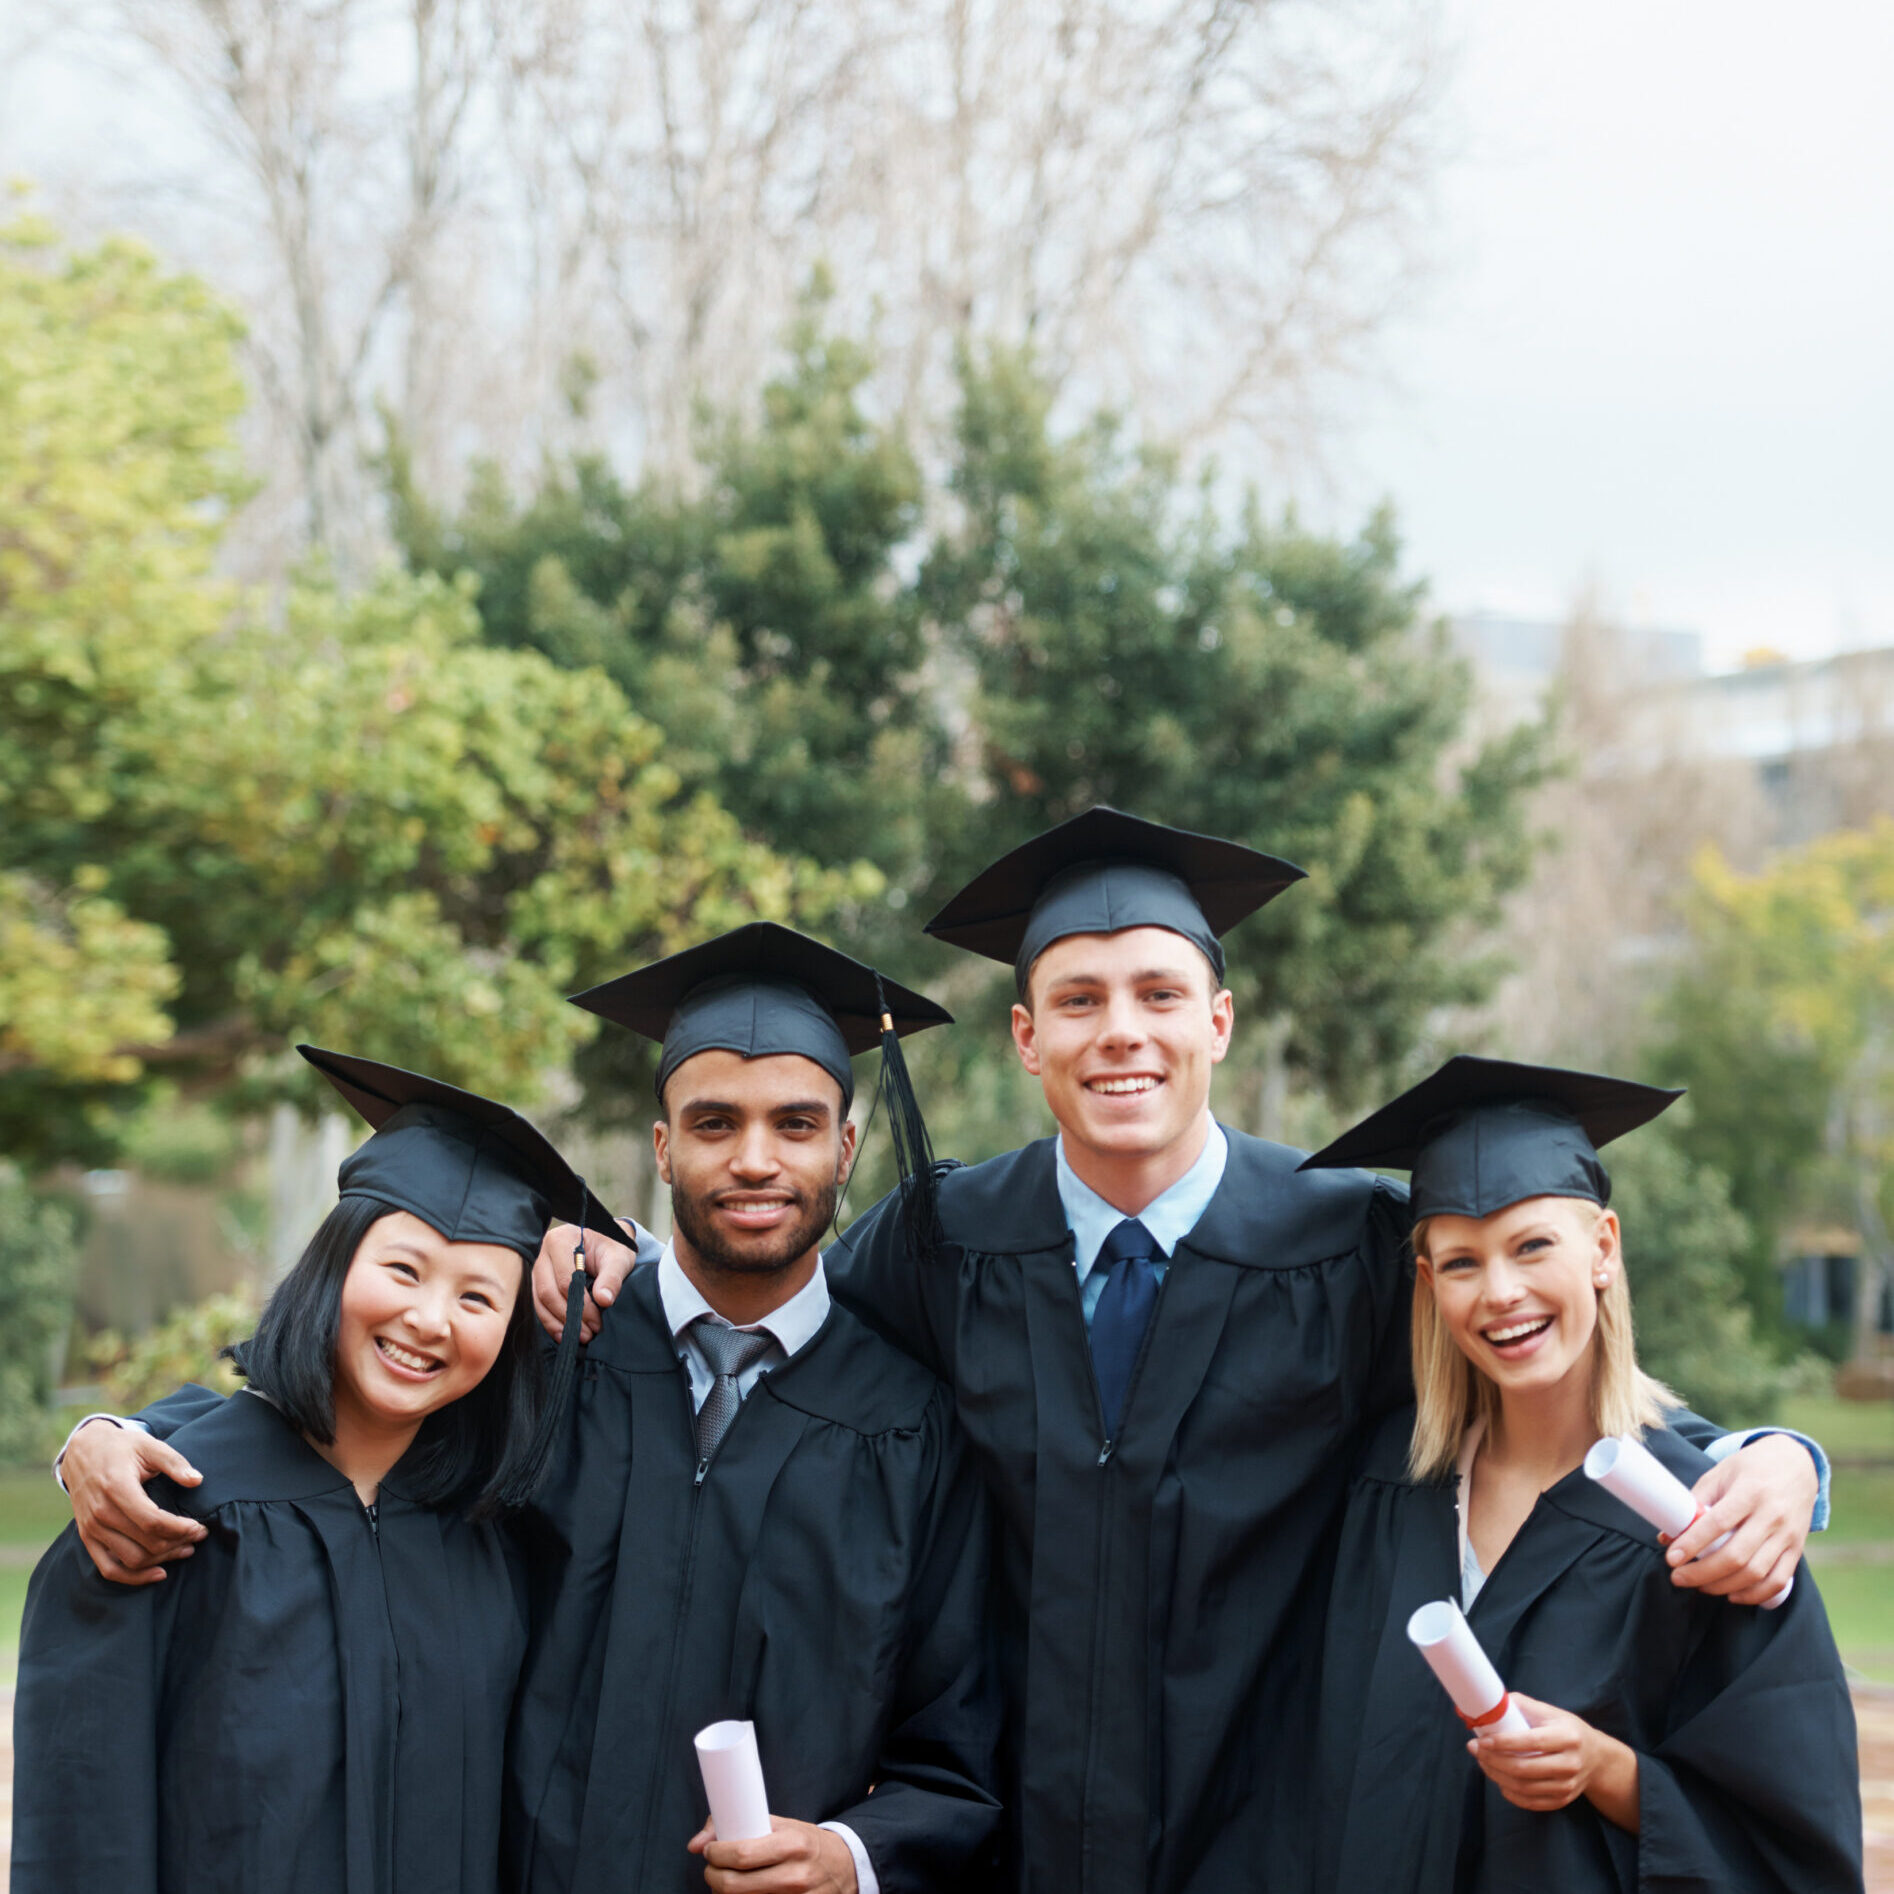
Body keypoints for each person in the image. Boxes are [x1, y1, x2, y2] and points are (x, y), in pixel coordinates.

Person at [518, 809, 1831, 1894]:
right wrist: (611, 1262)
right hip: (1011, 1844)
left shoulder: (1351, 1243)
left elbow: (1537, 1354)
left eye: (1157, 992)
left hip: (1266, 1836)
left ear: (1217, 1019)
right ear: (1028, 1037)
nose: (1120, 1031)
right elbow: (774, 1327)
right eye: (1077, 999)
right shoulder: (944, 1239)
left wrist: (1770, 1455)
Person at [60, 927, 1001, 1894]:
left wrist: (852, 1858)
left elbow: (953, 1756)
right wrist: (117, 1435)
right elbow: (335, 1427)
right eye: (714, 1124)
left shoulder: (912, 1428)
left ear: (846, 1147)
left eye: (795, 1126)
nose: (754, 1161)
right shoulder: (549, 1347)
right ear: (663, 1146)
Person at [13, 1046, 615, 1894]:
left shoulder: (497, 1534)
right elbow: (83, 1843)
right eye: (402, 1270)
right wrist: (102, 1432)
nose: (430, 1320)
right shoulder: (158, 1520)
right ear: (333, 1267)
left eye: (478, 1298)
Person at [1301, 1056, 1862, 1892]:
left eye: (1533, 1246)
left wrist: (1608, 1771)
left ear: (1603, 1247)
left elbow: (1792, 1845)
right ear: (1427, 1282)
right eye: (1460, 1262)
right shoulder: (1386, 1494)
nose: (1500, 1292)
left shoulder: (1704, 1525)